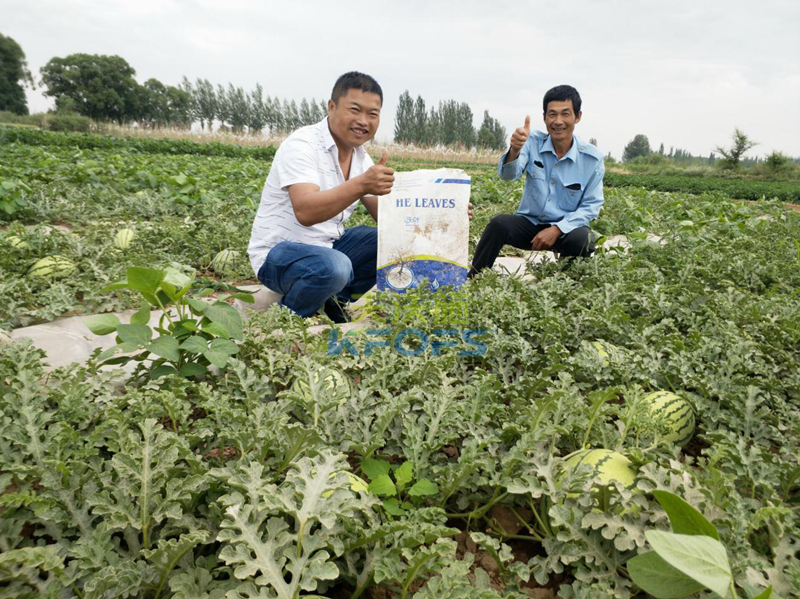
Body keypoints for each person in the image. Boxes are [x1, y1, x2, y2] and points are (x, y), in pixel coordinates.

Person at [247, 72, 395, 323]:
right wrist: (361, 184)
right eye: (355, 110)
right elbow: (307, 212)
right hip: (278, 255)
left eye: (372, 114)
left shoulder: (360, 157)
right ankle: (287, 318)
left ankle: (334, 302)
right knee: (335, 268)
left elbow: (388, 216)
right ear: (332, 106)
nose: (363, 121)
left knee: (388, 241)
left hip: (326, 248)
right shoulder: (302, 145)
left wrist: (443, 217)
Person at [468, 85, 605, 277]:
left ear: (577, 116)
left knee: (583, 238)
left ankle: (567, 288)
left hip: (566, 229)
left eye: (565, 114)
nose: (558, 121)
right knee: (498, 224)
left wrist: (557, 229)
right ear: (544, 117)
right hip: (530, 224)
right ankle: (474, 278)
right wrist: (515, 149)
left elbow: (591, 206)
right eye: (552, 114)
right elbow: (508, 175)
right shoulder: (531, 142)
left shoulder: (592, 159)